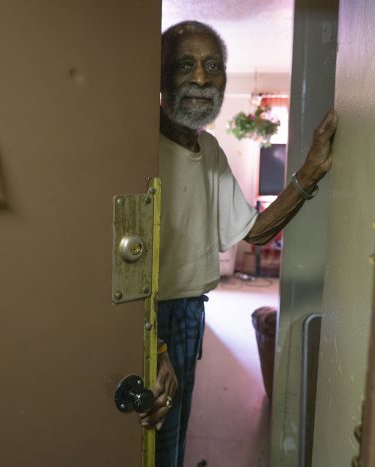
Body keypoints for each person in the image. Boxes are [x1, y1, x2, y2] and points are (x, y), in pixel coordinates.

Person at [139, 20, 338, 467]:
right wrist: (154, 346)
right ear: (160, 76)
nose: (201, 78)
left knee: (172, 438)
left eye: (213, 66)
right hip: (144, 314)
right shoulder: (136, 143)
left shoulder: (207, 150)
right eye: (185, 65)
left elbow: (253, 232)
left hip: (188, 310)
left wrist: (310, 172)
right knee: (143, 437)